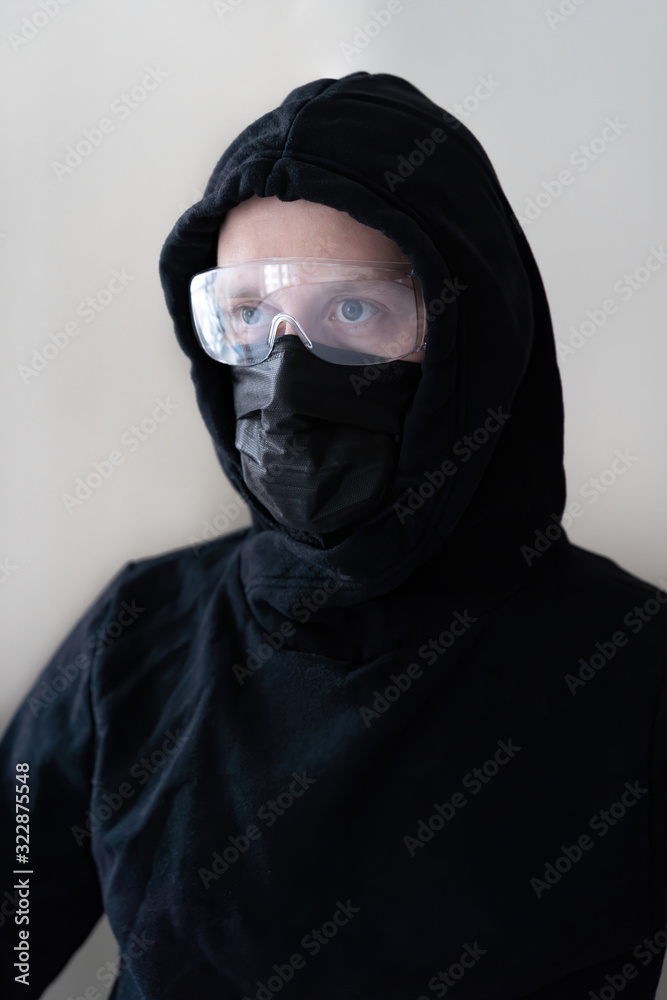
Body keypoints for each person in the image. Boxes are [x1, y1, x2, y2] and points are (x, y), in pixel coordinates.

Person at [1, 70, 666, 1000]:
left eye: (351, 311)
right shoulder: (137, 635)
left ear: (474, 339)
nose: (286, 378)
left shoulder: (633, 670)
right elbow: (12, 934)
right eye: (245, 320)